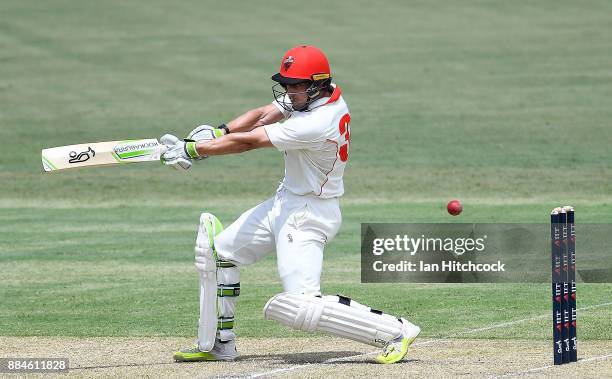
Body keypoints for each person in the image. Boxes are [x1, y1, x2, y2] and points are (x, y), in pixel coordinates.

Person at [160, 45, 420, 364]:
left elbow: (250, 141)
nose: (289, 90)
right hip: (284, 203)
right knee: (219, 253)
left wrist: (196, 150)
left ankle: (395, 331)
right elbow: (263, 114)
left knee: (301, 304)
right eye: (286, 84)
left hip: (309, 215)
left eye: (295, 85)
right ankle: (219, 343)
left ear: (315, 85)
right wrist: (220, 130)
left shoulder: (317, 122)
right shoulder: (321, 94)